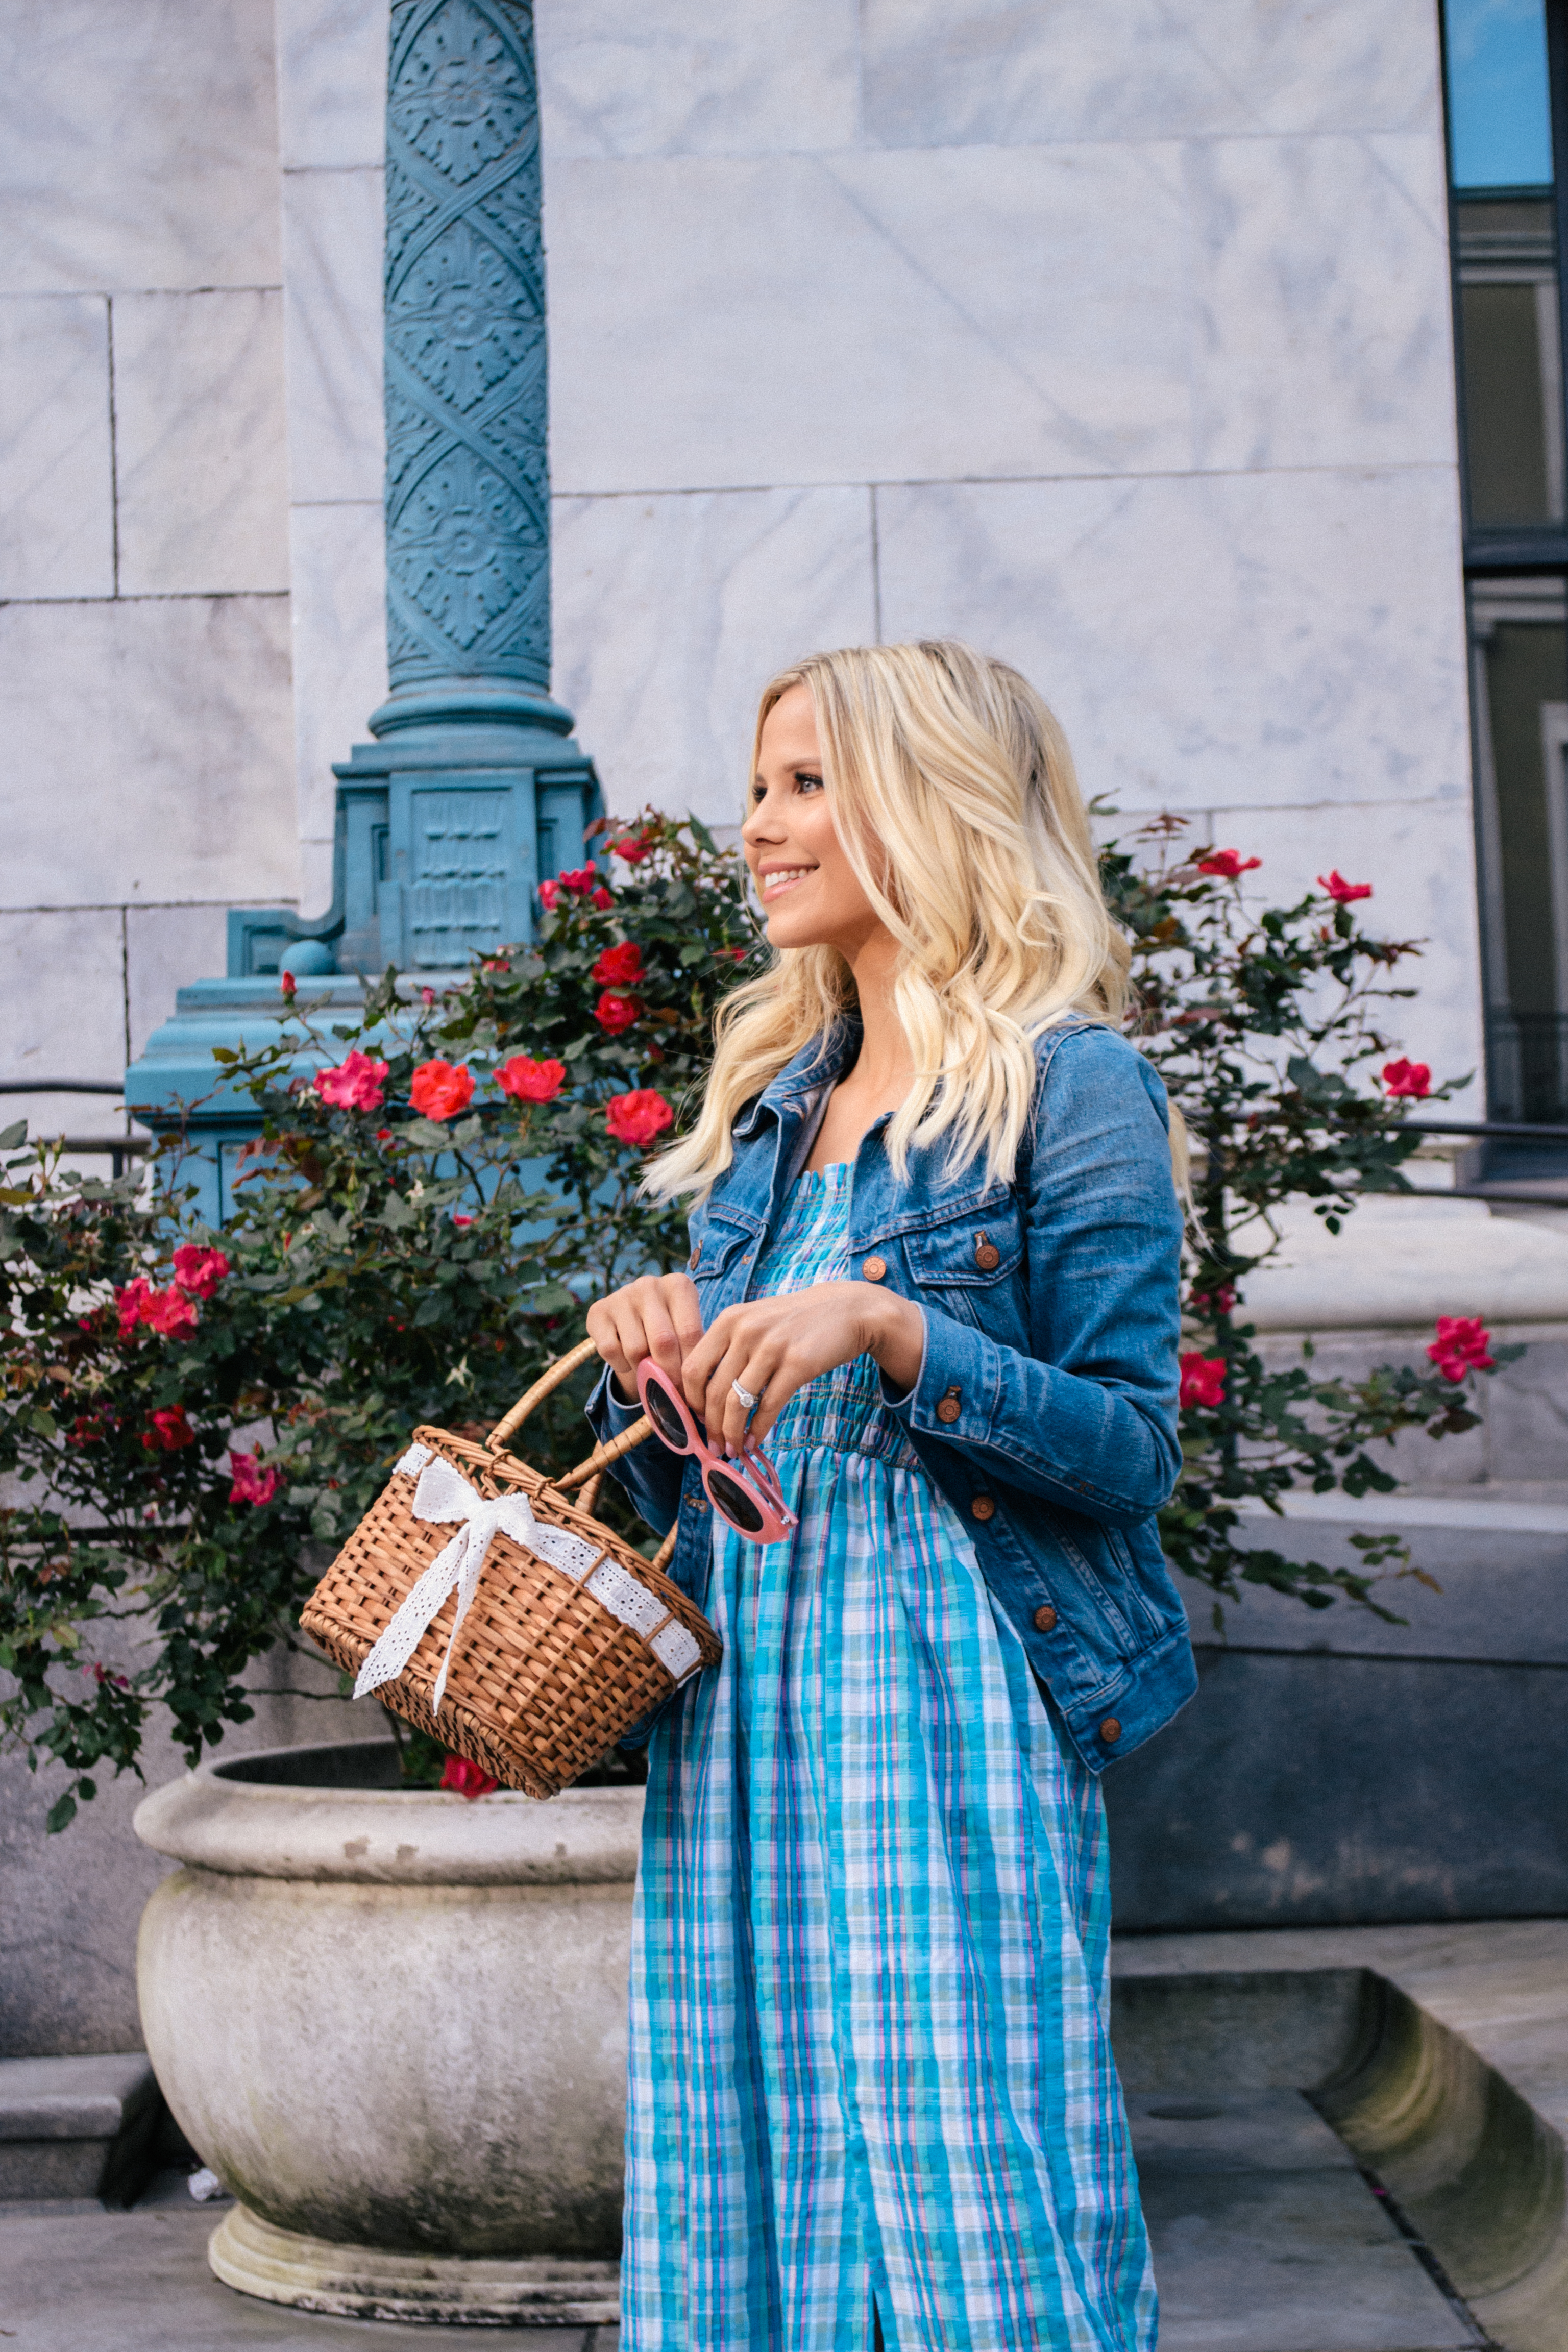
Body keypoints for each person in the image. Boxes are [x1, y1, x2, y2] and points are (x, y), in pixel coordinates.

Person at [584, 640, 1194, 2351]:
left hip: (947, 1691)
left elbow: (1132, 1447)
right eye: (759, 786)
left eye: (804, 784)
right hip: (749, 1699)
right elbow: (717, 1478)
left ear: (927, 804)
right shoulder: (773, 1119)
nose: (760, 827)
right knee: (746, 2141)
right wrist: (666, 1359)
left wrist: (900, 1332)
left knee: (961, 2151)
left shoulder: (1070, 1086)